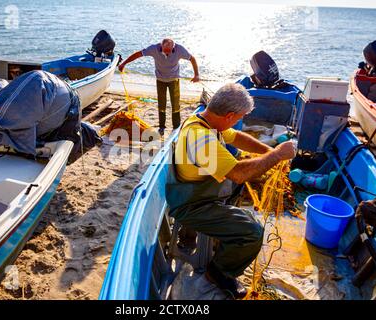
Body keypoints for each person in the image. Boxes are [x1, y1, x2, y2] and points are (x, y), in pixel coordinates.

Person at [165, 83, 296, 299]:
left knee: (240, 182)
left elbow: (237, 137)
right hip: (192, 205)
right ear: (229, 115)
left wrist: (269, 150)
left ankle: (219, 238)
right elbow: (238, 174)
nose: (236, 123)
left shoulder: (205, 121)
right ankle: (217, 273)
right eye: (238, 118)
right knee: (252, 233)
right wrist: (277, 156)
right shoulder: (201, 138)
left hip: (198, 192)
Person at [118, 38, 200, 135]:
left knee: (175, 104)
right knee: (162, 104)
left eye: (170, 51)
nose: (167, 53)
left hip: (174, 79)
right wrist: (124, 63)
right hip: (160, 80)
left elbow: (192, 59)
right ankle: (161, 127)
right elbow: (138, 54)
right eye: (165, 51)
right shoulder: (154, 49)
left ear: (174, 47)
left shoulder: (179, 49)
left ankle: (176, 127)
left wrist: (196, 75)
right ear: (161, 46)